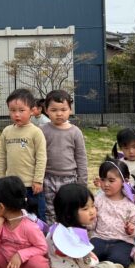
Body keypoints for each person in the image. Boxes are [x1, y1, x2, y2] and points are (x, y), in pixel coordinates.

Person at [47, 183, 124, 268]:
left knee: (108, 266)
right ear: (69, 213)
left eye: (93, 206)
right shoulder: (72, 236)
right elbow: (87, 265)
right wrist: (95, 260)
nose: (92, 211)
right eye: (85, 208)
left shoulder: (57, 229)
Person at [0, 88, 47, 222]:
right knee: (14, 215)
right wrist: (1, 179)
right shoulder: (7, 131)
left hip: (31, 185)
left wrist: (38, 180)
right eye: (12, 110)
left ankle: (41, 240)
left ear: (32, 110)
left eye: (21, 110)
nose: (16, 114)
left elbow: (41, 158)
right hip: (11, 185)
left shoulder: (36, 132)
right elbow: (3, 157)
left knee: (36, 217)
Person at [41, 89, 87, 223]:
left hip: (69, 178)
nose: (59, 113)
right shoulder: (42, 130)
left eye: (63, 109)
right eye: (54, 110)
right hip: (47, 178)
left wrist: (82, 182)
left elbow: (81, 157)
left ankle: (69, 236)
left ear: (70, 110)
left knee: (68, 209)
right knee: (50, 210)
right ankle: (52, 237)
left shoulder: (75, 132)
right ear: (46, 110)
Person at [90, 158, 135, 268]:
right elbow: (92, 224)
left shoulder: (129, 205)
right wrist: (90, 219)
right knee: (88, 257)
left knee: (118, 261)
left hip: (122, 241)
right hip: (99, 238)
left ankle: (115, 265)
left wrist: (132, 230)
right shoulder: (97, 200)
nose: (106, 184)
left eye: (111, 180)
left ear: (124, 181)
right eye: (103, 180)